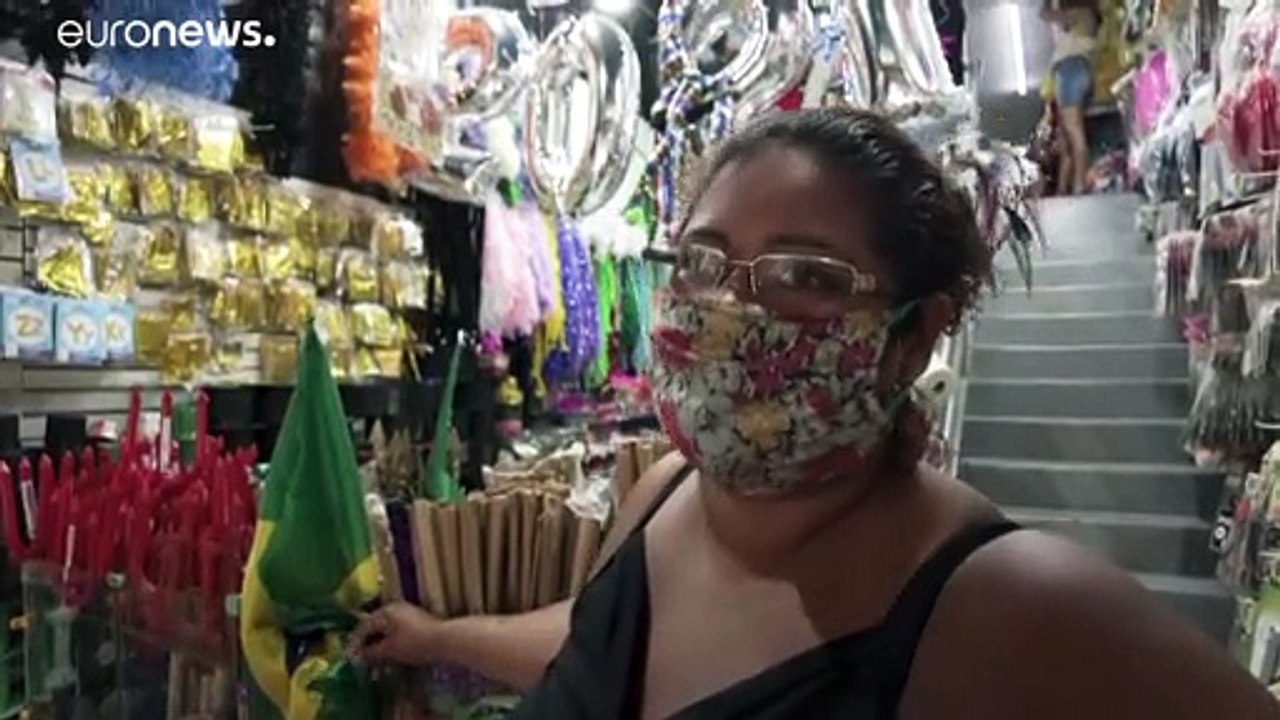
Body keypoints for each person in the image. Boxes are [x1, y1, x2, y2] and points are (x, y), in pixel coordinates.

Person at [352, 108, 1278, 719]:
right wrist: (439, 638)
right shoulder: (665, 497)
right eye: (707, 263)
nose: (730, 310)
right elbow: (596, 642)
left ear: (913, 340)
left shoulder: (1006, 604)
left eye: (805, 277)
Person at [1042, 0, 1100, 195]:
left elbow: (1046, 15)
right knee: (1071, 134)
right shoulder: (1088, 16)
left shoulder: (1081, 12)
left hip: (1070, 70)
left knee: (1074, 132)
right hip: (1078, 69)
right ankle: (1073, 185)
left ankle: (1079, 185)